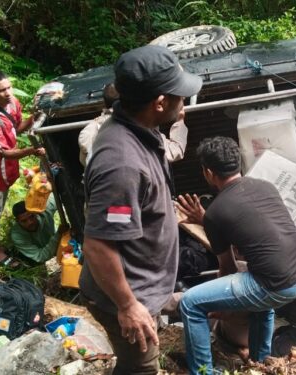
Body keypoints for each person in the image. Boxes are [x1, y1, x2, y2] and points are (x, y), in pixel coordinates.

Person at [79, 44, 202, 375]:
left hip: (143, 284)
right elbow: (98, 243)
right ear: (159, 102)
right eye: (180, 96)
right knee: (142, 368)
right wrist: (128, 306)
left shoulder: (141, 128)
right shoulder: (121, 163)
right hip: (126, 294)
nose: (184, 101)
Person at [176, 136, 296, 375]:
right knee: (262, 301)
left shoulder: (216, 211)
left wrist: (226, 309)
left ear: (208, 172)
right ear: (238, 163)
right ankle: (261, 363)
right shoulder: (265, 186)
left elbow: (227, 268)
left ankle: (203, 372)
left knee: (191, 303)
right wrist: (206, 219)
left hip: (276, 283)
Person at [0, 68, 44, 268]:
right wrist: (32, 150)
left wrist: (32, 118)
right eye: (1, 90)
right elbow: (2, 151)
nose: (8, 93)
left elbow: (15, 128)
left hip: (8, 170)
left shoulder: (12, 103)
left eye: (9, 87)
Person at [78, 83, 189, 166]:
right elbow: (174, 152)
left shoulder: (88, 130)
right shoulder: (140, 126)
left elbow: (85, 161)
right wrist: (179, 122)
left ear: (105, 102)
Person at [10, 195, 68, 265]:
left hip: (52, 245)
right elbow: (40, 257)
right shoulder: (17, 236)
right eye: (24, 221)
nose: (30, 222)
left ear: (35, 212)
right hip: (31, 258)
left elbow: (58, 195)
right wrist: (58, 234)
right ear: (17, 221)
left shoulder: (44, 210)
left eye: (31, 217)